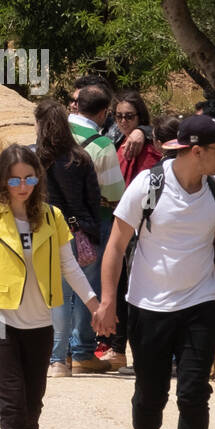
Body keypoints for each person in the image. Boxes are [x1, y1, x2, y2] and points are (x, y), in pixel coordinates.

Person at [94, 114, 215, 429]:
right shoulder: (148, 185)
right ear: (195, 151)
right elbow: (115, 245)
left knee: (193, 393)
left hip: (200, 307)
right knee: (151, 393)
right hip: (148, 307)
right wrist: (109, 301)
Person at [0, 145, 97, 429]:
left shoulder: (53, 217)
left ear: (38, 180)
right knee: (12, 404)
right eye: (15, 180)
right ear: (2, 182)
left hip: (40, 325)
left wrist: (94, 305)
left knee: (32, 407)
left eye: (30, 180)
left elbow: (70, 267)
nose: (22, 187)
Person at [34, 99, 103, 378]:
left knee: (59, 297)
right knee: (81, 294)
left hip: (50, 233)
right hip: (80, 232)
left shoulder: (34, 158)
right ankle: (78, 352)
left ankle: (58, 359)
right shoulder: (80, 158)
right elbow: (93, 199)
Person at [68, 78, 126, 372]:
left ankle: (60, 351)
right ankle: (82, 351)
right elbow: (116, 194)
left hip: (54, 218)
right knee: (87, 285)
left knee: (61, 286)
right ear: (104, 113)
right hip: (92, 222)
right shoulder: (102, 145)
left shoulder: (54, 132)